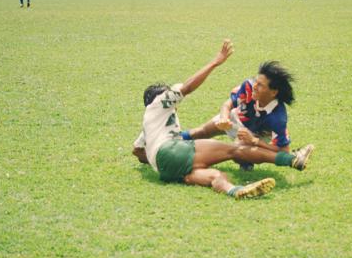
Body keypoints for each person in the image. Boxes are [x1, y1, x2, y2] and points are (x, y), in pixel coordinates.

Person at [131, 40, 314, 199]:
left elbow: (137, 152)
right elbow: (186, 88)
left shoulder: (149, 125)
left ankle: (235, 190)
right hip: (173, 150)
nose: (255, 85)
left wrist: (160, 160)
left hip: (164, 170)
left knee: (215, 176)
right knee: (235, 150)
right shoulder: (159, 101)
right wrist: (215, 62)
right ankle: (291, 160)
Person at [182, 61, 301, 172]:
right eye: (256, 81)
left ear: (273, 92)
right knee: (201, 131)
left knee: (237, 150)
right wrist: (224, 118)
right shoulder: (249, 86)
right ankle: (171, 138)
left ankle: (246, 161)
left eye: (260, 85)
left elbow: (283, 150)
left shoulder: (277, 118)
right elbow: (227, 104)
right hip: (237, 118)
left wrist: (254, 141)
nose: (255, 86)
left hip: (257, 134)